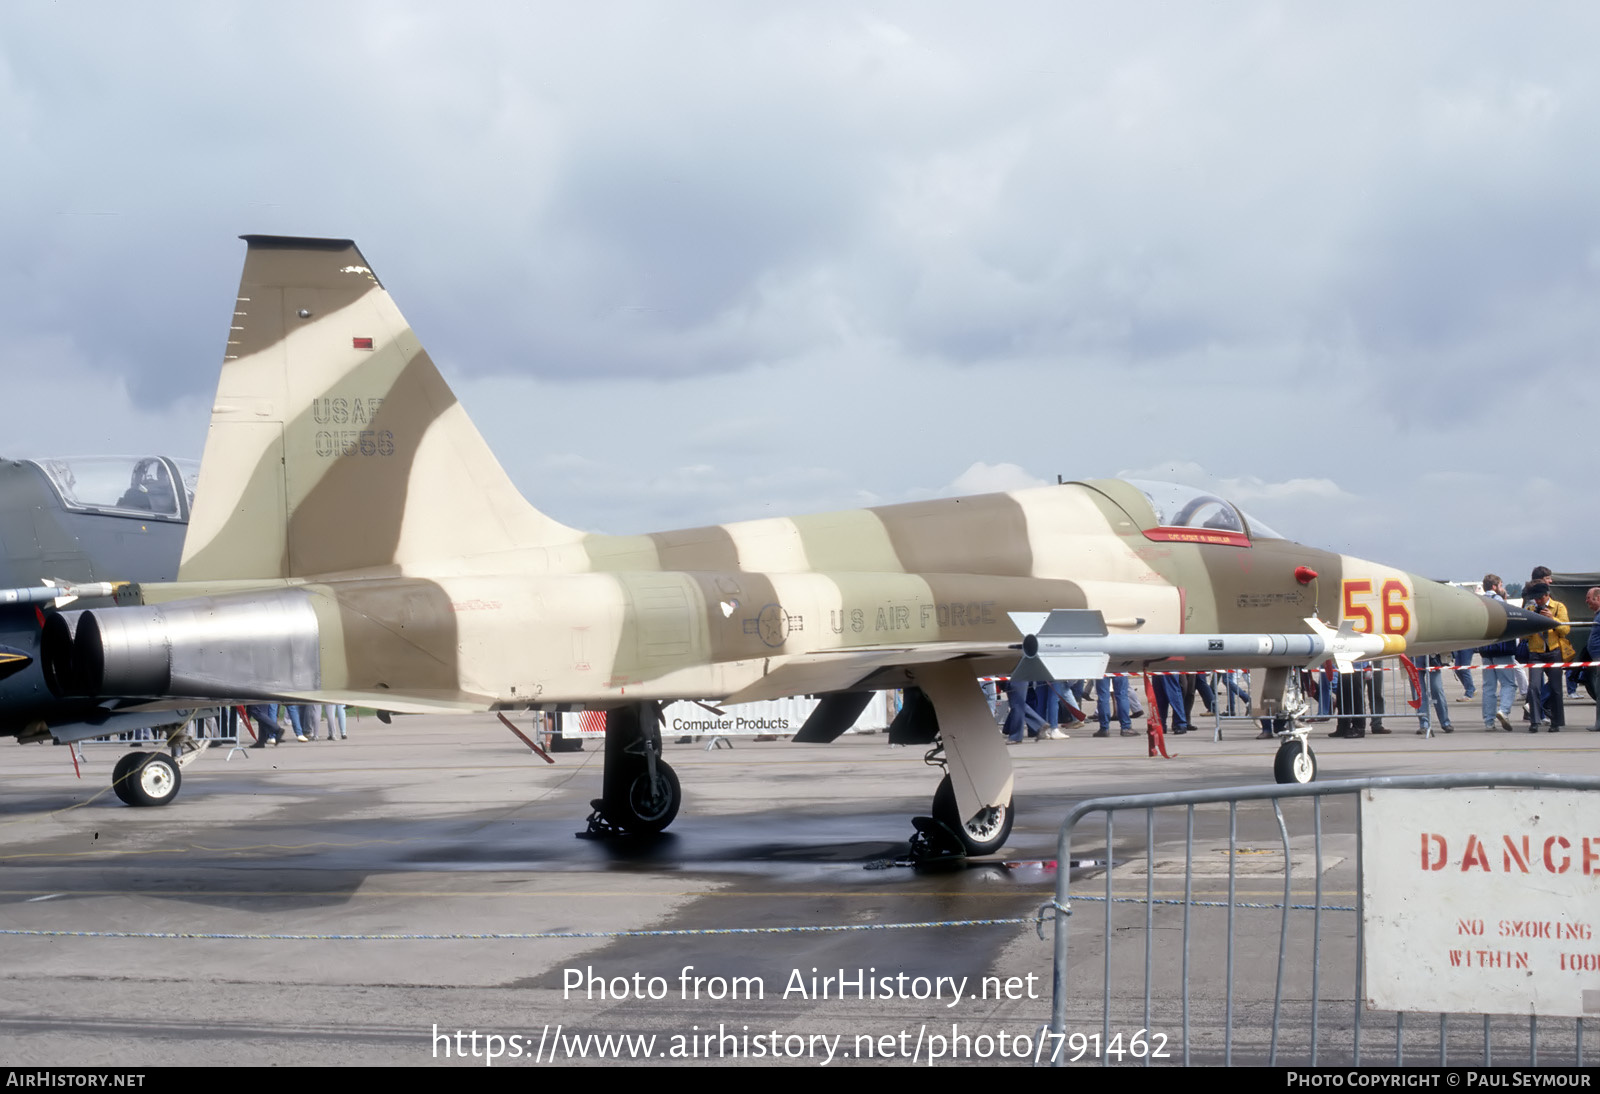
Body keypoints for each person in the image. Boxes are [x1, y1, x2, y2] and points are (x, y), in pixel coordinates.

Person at [1524, 582, 1571, 732]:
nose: (1537, 601)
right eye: (1535, 599)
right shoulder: (1530, 609)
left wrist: (1552, 619)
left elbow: (1565, 630)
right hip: (1536, 652)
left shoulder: (1559, 607)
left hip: (1554, 651)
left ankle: (1556, 721)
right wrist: (1532, 622)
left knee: (1556, 688)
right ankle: (1535, 721)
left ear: (1547, 595)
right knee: (1533, 687)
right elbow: (1524, 635)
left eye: (1539, 598)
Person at [1478, 574, 1518, 732]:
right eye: (1501, 585)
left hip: (1486, 651)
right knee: (1508, 683)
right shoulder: (1499, 602)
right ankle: (1504, 711)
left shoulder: (1480, 602)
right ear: (1494, 587)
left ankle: (1488, 721)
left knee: (1489, 687)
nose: (1503, 589)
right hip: (1502, 649)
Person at [1412, 653, 1454, 735]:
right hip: (1415, 656)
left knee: (1437, 689)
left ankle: (1445, 722)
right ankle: (1424, 723)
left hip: (1433, 656)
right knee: (1419, 692)